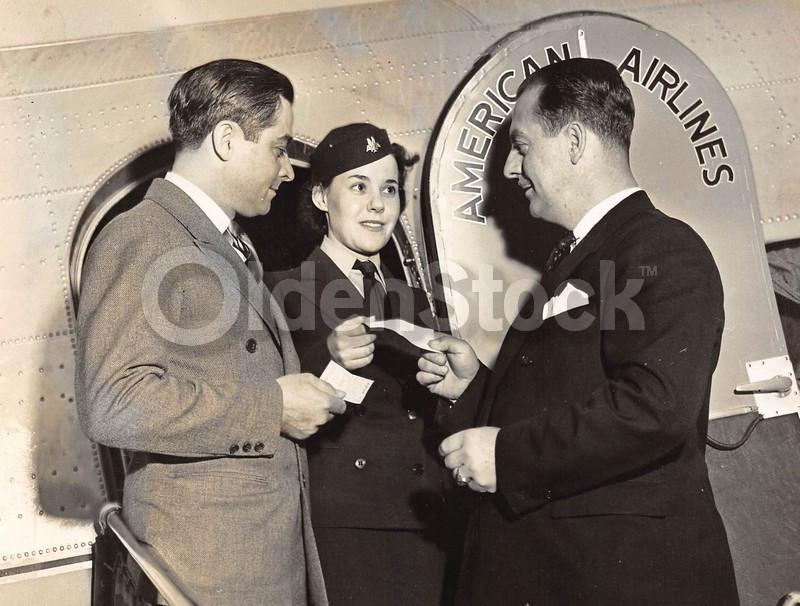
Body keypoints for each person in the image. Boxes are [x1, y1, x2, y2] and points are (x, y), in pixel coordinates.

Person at [417, 58, 740, 604]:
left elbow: (654, 409)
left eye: (521, 146)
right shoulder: (576, 257)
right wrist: (473, 390)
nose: (513, 170)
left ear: (573, 142)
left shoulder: (664, 249)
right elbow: (567, 399)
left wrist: (508, 457)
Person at [75, 59, 346, 605]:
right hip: (210, 574)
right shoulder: (144, 237)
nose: (288, 169)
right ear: (226, 139)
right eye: (277, 145)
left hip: (251, 560)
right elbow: (112, 403)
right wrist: (272, 408)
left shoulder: (222, 239)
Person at [269, 123, 452, 605]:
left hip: (429, 519)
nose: (377, 204)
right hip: (350, 528)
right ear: (321, 198)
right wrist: (329, 361)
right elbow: (275, 403)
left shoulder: (411, 296)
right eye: (358, 186)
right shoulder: (281, 290)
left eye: (388, 189)